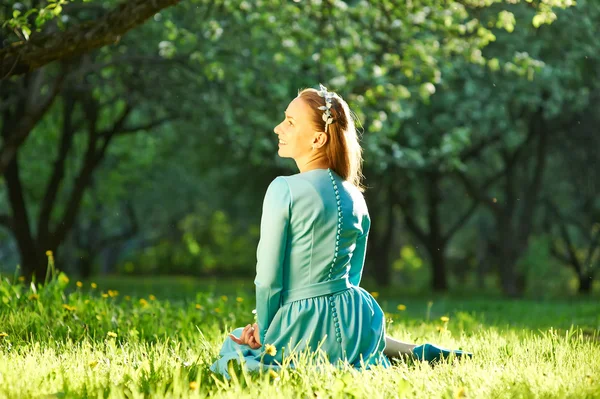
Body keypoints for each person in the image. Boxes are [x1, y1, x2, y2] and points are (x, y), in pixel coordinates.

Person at [209, 84, 471, 379]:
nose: (277, 128)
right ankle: (405, 351)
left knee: (236, 349)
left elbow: (269, 279)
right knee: (345, 342)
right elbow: (353, 275)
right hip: (358, 316)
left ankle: (400, 350)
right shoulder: (356, 197)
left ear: (319, 138)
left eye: (290, 122)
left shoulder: (283, 189)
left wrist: (266, 330)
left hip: (301, 320)